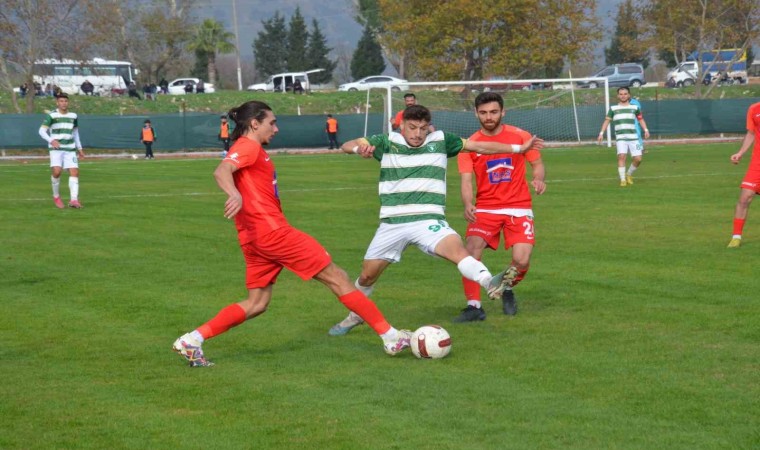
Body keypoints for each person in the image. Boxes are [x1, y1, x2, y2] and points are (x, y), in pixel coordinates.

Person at [172, 100, 413, 367]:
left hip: (253, 238)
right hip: (274, 233)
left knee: (257, 303)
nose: (275, 128)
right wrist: (234, 194)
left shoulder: (252, 149)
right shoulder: (247, 147)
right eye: (271, 123)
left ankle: (192, 340)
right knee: (337, 277)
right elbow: (222, 170)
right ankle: (391, 336)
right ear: (254, 124)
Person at [327, 104, 543, 336]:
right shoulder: (387, 141)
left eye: (422, 128)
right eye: (412, 128)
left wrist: (518, 147)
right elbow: (347, 145)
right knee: (368, 275)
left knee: (458, 251)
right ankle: (355, 316)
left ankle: (490, 282)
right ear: (401, 126)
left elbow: (480, 145)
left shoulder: (441, 140)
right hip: (392, 223)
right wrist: (361, 149)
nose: (418, 134)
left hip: (428, 220)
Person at [455, 92, 545, 322]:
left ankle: (505, 288)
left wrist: (538, 178)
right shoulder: (470, 145)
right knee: (471, 251)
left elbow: (536, 162)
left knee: (522, 260)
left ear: (503, 112)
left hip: (519, 206)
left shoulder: (520, 136)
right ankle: (474, 306)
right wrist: (468, 203)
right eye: (483, 113)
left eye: (493, 112)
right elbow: (466, 180)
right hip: (486, 208)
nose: (488, 117)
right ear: (476, 113)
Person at [38, 93, 85, 209]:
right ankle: (56, 196)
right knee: (57, 172)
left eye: (65, 101)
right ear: (57, 103)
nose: (64, 103)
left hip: (70, 148)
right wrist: (51, 140)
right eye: (61, 101)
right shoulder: (52, 116)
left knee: (74, 172)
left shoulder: (73, 116)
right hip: (56, 149)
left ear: (68, 102)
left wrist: (80, 148)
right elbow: (41, 131)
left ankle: (73, 200)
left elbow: (75, 133)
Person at [597, 87, 650, 187]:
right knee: (621, 157)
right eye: (621, 94)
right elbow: (607, 121)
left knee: (638, 159)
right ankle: (622, 180)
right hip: (621, 138)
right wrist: (601, 133)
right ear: (618, 96)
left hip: (634, 138)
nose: (623, 96)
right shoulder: (613, 109)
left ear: (629, 95)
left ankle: (628, 174)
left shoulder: (635, 108)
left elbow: (641, 119)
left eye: (625, 94)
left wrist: (646, 130)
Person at [727, 101, 760, 248]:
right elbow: (751, 133)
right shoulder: (754, 109)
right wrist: (740, 153)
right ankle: (736, 237)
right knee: (745, 197)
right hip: (757, 163)